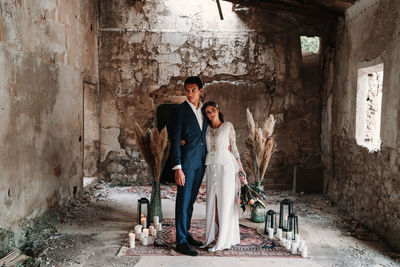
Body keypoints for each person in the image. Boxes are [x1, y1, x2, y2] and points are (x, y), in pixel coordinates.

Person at [201, 101, 247, 251]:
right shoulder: (206, 129)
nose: (211, 114)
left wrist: (241, 170)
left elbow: (234, 148)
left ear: (217, 109)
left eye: (213, 110)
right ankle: (213, 236)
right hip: (211, 168)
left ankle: (223, 237)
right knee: (212, 203)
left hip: (226, 168)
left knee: (225, 203)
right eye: (208, 112)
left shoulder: (228, 126)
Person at [169, 76, 208, 256]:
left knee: (191, 202)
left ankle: (186, 233)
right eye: (187, 90)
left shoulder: (205, 111)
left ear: (200, 91)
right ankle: (181, 241)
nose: (190, 94)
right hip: (186, 164)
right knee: (183, 202)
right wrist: (178, 168)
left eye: (193, 90)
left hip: (201, 163)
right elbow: (175, 141)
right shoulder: (179, 111)